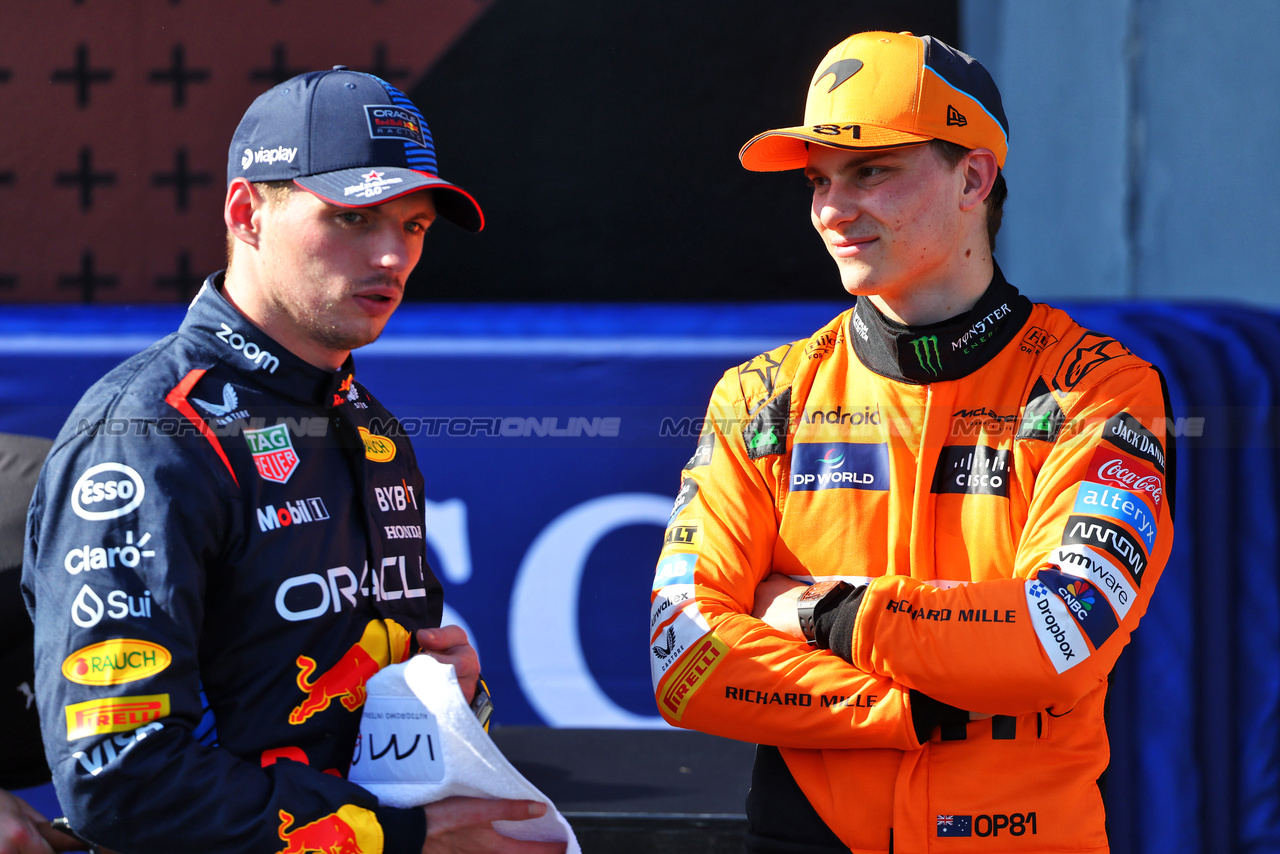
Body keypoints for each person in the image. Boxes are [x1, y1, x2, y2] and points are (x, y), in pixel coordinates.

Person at [649, 31, 1174, 854]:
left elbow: (1056, 633)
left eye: (871, 171)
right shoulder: (762, 396)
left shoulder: (1100, 389)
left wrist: (825, 614)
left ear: (975, 176)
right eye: (819, 181)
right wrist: (916, 709)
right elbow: (684, 656)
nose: (830, 209)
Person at [24, 68, 563, 854]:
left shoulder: (370, 429)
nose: (392, 257)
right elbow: (120, 778)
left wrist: (454, 701)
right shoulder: (149, 434)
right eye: (354, 218)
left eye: (414, 225)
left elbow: (360, 726)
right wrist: (393, 840)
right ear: (247, 212)